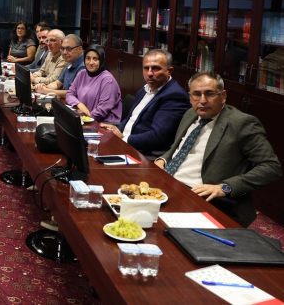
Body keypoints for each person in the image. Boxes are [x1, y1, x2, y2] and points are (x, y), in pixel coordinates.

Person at [156, 72, 282, 227]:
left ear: (223, 96)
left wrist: (225, 187)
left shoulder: (242, 123)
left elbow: (271, 167)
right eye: (196, 94)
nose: (202, 100)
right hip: (169, 183)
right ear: (190, 97)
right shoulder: (191, 114)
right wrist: (164, 159)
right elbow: (178, 148)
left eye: (209, 94)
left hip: (205, 198)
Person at [100, 49, 190, 157]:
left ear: (169, 71)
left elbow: (157, 137)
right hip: (123, 143)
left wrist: (124, 138)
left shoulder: (175, 96)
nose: (150, 73)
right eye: (146, 68)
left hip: (142, 153)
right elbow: (130, 119)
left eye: (156, 68)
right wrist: (116, 130)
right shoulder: (144, 89)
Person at [66, 45, 122, 122]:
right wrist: (79, 104)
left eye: (95, 59)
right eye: (88, 58)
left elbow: (102, 110)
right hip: (85, 118)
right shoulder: (82, 74)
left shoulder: (108, 80)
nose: (91, 62)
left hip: (103, 123)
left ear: (101, 60)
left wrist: (85, 118)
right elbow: (69, 94)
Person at [33, 33, 84, 99]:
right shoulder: (70, 62)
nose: (64, 52)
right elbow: (57, 83)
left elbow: (74, 93)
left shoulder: (83, 67)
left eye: (69, 48)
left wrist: (46, 91)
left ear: (80, 49)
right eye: (62, 48)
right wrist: (44, 87)